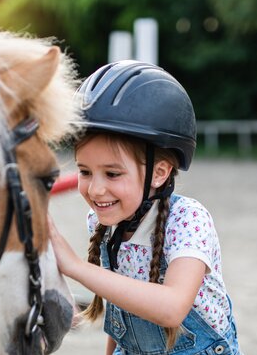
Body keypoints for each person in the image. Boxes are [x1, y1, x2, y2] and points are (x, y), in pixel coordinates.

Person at [48, 60, 241, 355]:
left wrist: (75, 267)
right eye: (85, 171)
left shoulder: (188, 220)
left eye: (112, 174)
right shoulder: (104, 222)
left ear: (159, 172)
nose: (96, 189)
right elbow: (122, 308)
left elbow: (173, 308)